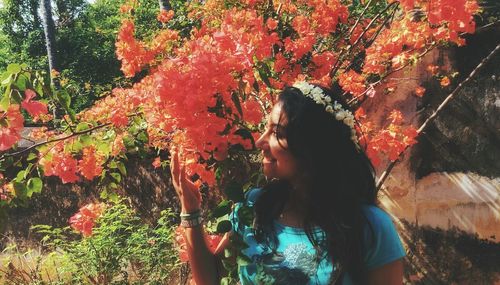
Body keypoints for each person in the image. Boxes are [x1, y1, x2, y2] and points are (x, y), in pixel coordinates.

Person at [170, 82, 406, 285]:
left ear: (312, 149)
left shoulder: (369, 228)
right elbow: (211, 278)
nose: (261, 141)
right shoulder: (254, 207)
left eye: (276, 133)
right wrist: (190, 210)